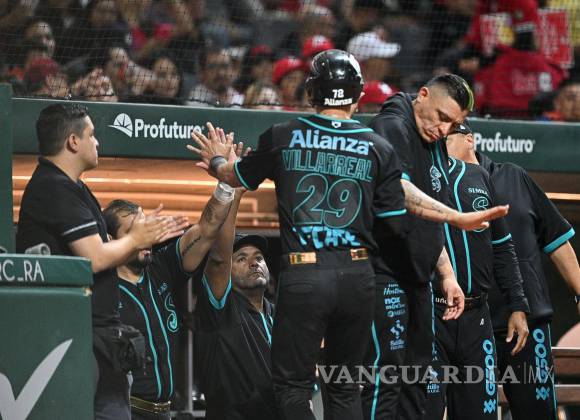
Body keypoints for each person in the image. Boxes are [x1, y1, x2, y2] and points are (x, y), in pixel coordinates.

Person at [188, 51, 505, 420]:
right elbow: (402, 216)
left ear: (310, 93)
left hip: (304, 274)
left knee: (292, 388)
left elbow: (232, 176)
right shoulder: (378, 146)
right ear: (357, 98)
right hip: (358, 278)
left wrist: (217, 160)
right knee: (344, 387)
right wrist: (455, 218)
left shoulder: (282, 135)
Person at [16, 103, 186, 420]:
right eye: (92, 135)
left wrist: (138, 239)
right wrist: (136, 238)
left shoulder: (73, 188)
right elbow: (93, 259)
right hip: (73, 336)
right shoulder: (53, 186)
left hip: (93, 338)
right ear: (73, 141)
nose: (97, 142)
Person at [363, 74, 505, 420]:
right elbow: (400, 191)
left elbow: (426, 220)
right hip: (385, 274)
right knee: (385, 382)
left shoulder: (434, 140)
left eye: (453, 124)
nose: (444, 129)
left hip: (420, 279)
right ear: (423, 95)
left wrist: (447, 274)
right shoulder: (393, 124)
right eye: (442, 117)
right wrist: (457, 218)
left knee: (417, 384)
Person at [423, 121, 530, 419]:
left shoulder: (480, 175)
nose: (441, 143)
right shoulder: (420, 175)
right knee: (425, 411)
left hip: (476, 317)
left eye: (447, 137)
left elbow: (503, 246)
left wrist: (518, 304)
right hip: (432, 314)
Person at [102, 182, 234, 419]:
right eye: (133, 231)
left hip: (165, 412)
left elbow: (207, 229)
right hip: (124, 412)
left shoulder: (162, 268)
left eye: (147, 228)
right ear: (111, 239)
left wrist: (226, 184)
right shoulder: (102, 289)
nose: (146, 237)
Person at [476, 150, 580, 420]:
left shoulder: (513, 176)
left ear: (468, 139)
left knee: (537, 412)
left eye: (450, 134)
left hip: (528, 324)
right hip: (470, 325)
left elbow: (556, 238)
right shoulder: (438, 180)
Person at [194, 183, 278, 419]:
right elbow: (219, 259)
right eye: (241, 259)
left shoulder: (277, 314)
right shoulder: (221, 309)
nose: (254, 263)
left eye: (259, 257)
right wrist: (234, 192)